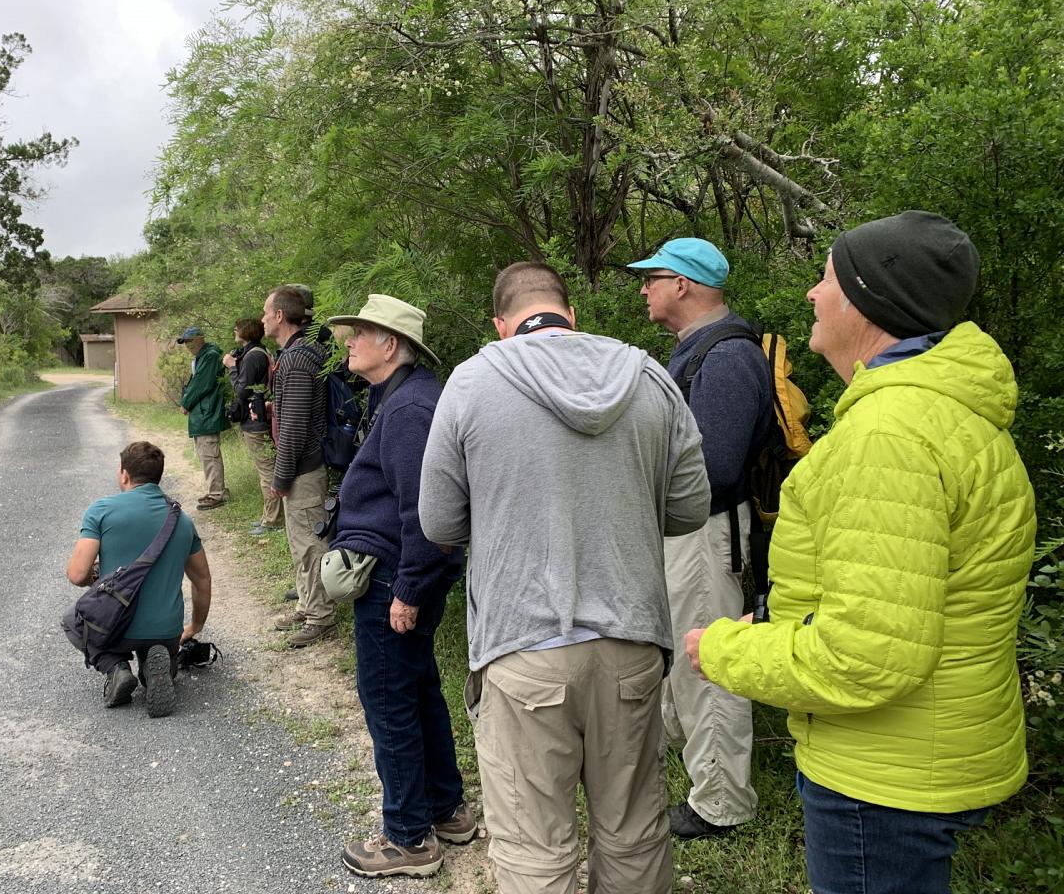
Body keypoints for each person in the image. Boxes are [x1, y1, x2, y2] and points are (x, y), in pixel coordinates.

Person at [686, 211, 1036, 894]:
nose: (813, 295)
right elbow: (914, 600)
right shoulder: (944, 415)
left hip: (883, 777)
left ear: (870, 303)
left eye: (827, 278)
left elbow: (868, 656)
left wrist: (725, 651)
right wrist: (785, 627)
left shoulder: (887, 438)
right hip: (926, 754)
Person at [420, 262, 711, 894]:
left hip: (521, 649)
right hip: (631, 644)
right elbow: (689, 508)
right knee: (633, 834)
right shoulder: (649, 376)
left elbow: (439, 521)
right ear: (570, 314)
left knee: (534, 849)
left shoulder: (472, 383)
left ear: (501, 326)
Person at [324, 295, 473, 879]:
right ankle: (446, 810)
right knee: (416, 689)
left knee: (389, 700)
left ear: (391, 345)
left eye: (360, 333)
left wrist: (408, 591)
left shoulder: (410, 408)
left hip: (395, 575)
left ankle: (409, 839)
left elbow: (424, 514)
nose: (348, 341)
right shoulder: (405, 398)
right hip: (400, 570)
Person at [629, 237, 773, 838]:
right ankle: (686, 768)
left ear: (682, 284)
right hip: (688, 531)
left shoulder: (727, 356)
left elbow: (715, 468)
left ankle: (721, 802)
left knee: (708, 664)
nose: (644, 289)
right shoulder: (698, 351)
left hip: (708, 532)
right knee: (680, 658)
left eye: (652, 278)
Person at [62, 441, 212, 718]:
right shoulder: (182, 520)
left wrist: (98, 576)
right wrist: (194, 625)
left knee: (72, 619)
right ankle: (156, 663)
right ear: (158, 476)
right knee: (159, 645)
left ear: (124, 474)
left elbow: (77, 574)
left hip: (115, 629)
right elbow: (202, 580)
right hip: (167, 631)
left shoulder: (102, 510)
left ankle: (116, 667)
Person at [261, 285, 336, 648]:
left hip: (304, 467)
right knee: (300, 541)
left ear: (279, 315)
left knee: (309, 544)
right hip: (304, 465)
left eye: (265, 312)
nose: (261, 318)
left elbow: (294, 425)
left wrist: (281, 475)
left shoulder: (295, 359)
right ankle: (308, 606)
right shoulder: (302, 352)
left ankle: (321, 616)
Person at [224, 317, 283, 537]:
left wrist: (231, 368)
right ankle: (270, 516)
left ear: (245, 332)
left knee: (266, 470)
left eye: (236, 328)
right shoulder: (261, 351)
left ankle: (272, 520)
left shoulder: (252, 356)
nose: (234, 331)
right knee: (267, 468)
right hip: (261, 417)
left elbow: (241, 390)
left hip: (255, 421)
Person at [177, 325, 231, 511]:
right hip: (203, 413)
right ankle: (215, 491)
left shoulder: (209, 356)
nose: (188, 345)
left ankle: (217, 494)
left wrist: (186, 402)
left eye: (191, 340)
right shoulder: (203, 356)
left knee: (209, 453)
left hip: (207, 412)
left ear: (201, 338)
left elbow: (201, 384)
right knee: (205, 453)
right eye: (185, 341)